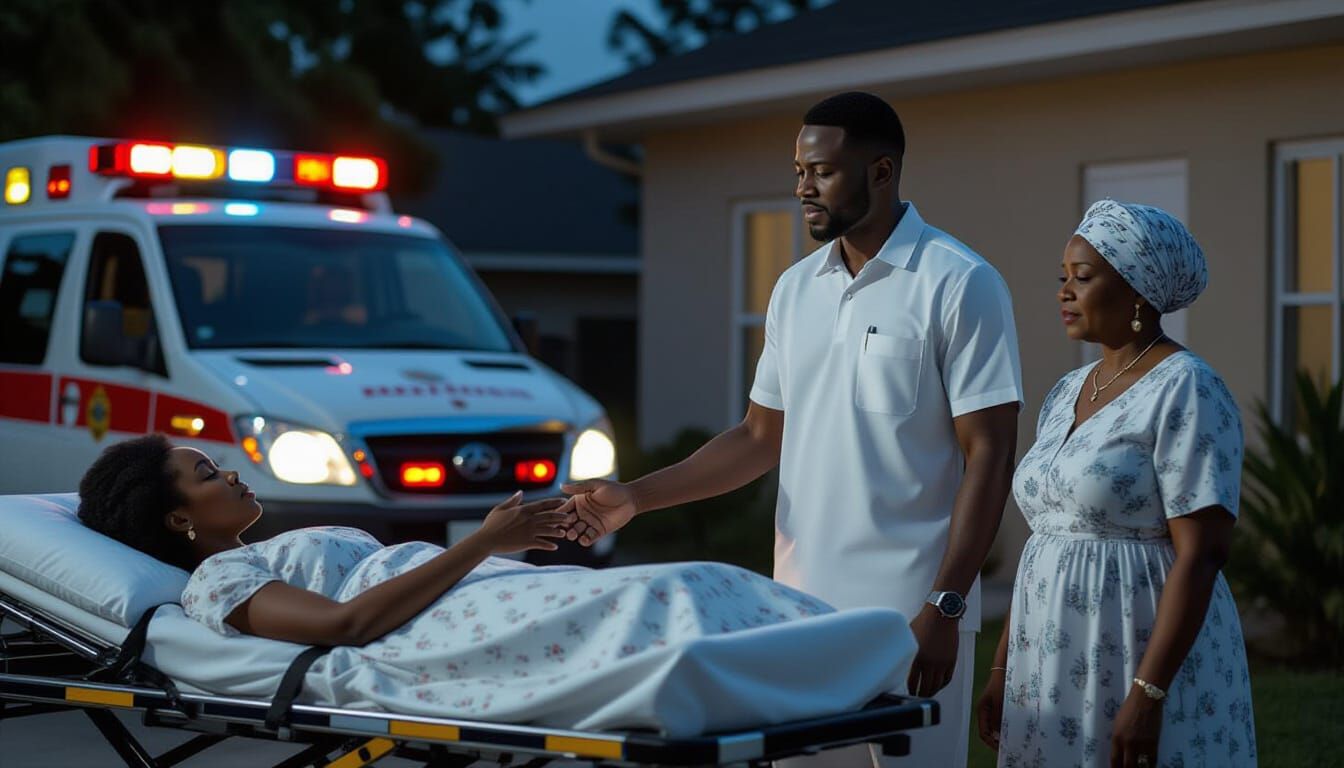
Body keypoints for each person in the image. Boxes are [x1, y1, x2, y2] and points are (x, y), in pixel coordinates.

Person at [559, 91, 1023, 768]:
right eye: (799, 170)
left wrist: (945, 607)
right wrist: (635, 496)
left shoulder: (960, 283)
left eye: (822, 172)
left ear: (882, 172)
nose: (803, 186)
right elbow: (756, 438)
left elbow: (990, 454)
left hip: (907, 621)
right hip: (795, 615)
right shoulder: (794, 288)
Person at [75, 434, 914, 734]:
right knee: (663, 598)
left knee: (686, 584)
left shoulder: (259, 549)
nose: (230, 475)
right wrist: (483, 543)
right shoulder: (218, 580)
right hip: (440, 617)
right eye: (207, 474)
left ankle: (811, 652)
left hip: (464, 593)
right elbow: (342, 629)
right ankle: (833, 655)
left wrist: (496, 545)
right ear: (178, 520)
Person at [975, 200, 1257, 767]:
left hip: (1137, 648)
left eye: (1082, 278)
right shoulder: (1065, 391)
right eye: (1062, 278)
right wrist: (1003, 668)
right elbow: (1046, 542)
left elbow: (1202, 554)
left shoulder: (1188, 388)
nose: (1064, 292)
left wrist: (1149, 693)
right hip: (1049, 661)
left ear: (1136, 289)